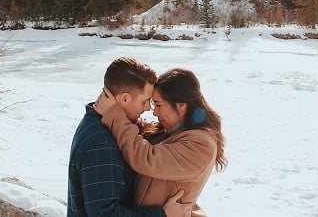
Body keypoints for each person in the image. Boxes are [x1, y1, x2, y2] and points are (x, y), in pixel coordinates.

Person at [67, 57, 192, 217]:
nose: (148, 108)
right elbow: (104, 214)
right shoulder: (102, 143)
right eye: (145, 101)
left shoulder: (100, 123)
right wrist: (162, 214)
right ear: (124, 99)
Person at [95, 68, 226, 217]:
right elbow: (143, 134)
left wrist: (113, 113)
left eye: (159, 105)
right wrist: (127, 111)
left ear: (181, 105)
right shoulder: (171, 132)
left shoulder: (201, 145)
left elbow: (145, 157)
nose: (155, 112)